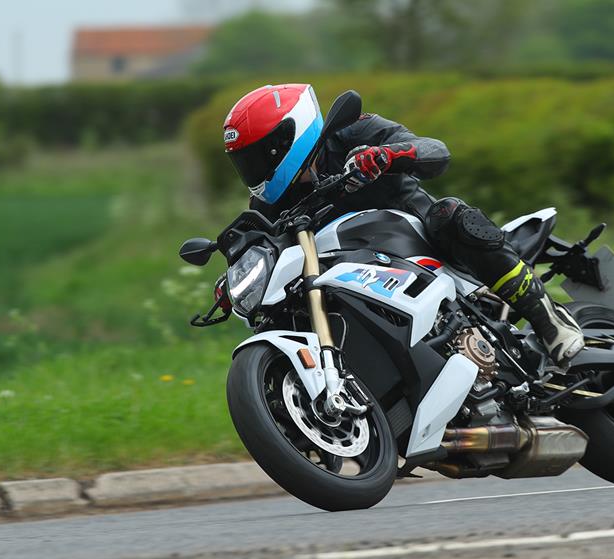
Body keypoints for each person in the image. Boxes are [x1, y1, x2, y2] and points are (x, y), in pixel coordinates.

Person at [222, 83, 584, 363]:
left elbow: (435, 151)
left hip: (424, 243)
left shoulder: (351, 131)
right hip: (356, 276)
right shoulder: (267, 204)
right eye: (244, 162)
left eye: (258, 156)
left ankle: (547, 317)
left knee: (449, 214)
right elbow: (259, 245)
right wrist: (233, 280)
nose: (252, 170)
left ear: (290, 137)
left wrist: (387, 155)